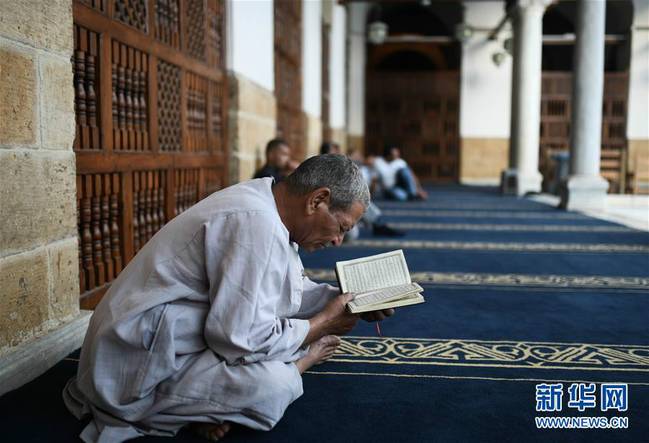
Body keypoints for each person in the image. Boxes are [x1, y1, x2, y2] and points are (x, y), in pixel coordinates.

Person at [63, 154, 395, 442]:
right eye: (341, 227)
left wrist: (343, 299)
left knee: (290, 333)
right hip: (132, 364)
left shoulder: (268, 207)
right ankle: (192, 407)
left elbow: (283, 291)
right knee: (276, 384)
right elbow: (239, 342)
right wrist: (322, 325)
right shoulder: (256, 223)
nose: (338, 240)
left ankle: (206, 407)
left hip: (171, 336)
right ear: (317, 200)